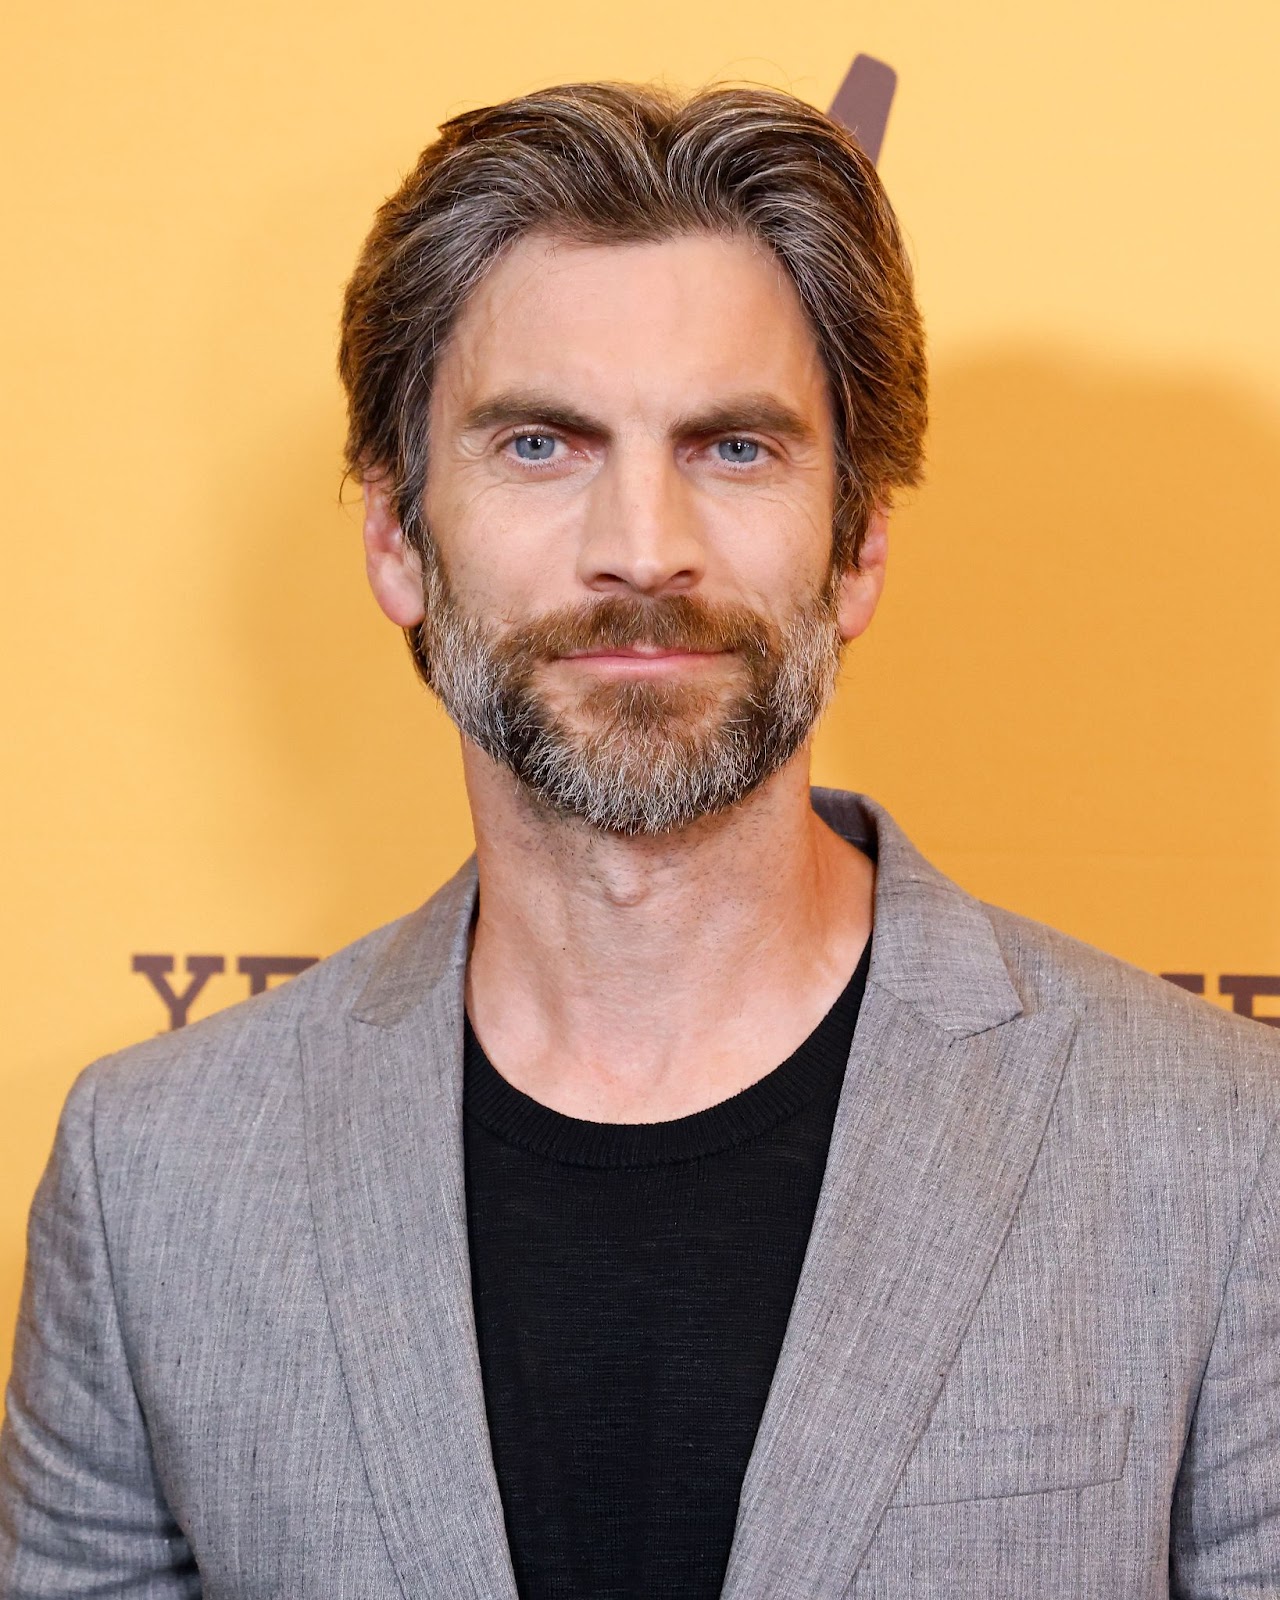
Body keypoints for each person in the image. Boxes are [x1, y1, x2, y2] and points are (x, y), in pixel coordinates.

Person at [1, 79, 1278, 1600]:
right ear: (397, 539)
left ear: (860, 541)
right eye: (541, 444)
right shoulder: (157, 1179)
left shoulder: (1220, 1154)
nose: (643, 546)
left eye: (735, 449)